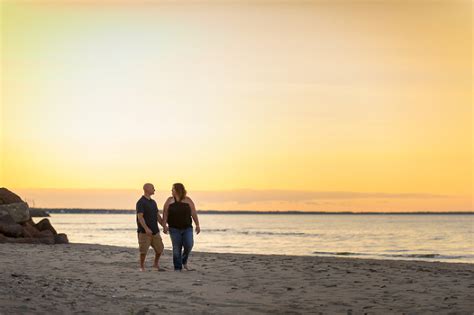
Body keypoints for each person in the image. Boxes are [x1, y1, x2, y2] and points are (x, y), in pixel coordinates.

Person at [162, 183, 200, 271]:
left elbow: (193, 213)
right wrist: (164, 225)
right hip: (174, 228)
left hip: (187, 228)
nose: (171, 191)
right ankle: (178, 268)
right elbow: (165, 213)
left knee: (189, 244)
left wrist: (197, 225)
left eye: (173, 189)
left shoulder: (188, 200)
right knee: (176, 248)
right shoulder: (169, 200)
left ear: (178, 190)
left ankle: (184, 260)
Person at [136, 183, 164, 272]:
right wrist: (146, 228)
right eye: (153, 188)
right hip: (144, 232)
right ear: (147, 189)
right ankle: (141, 266)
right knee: (143, 251)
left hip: (155, 231)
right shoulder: (140, 202)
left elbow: (157, 215)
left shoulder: (153, 202)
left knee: (160, 249)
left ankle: (155, 265)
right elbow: (140, 217)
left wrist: (164, 226)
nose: (154, 189)